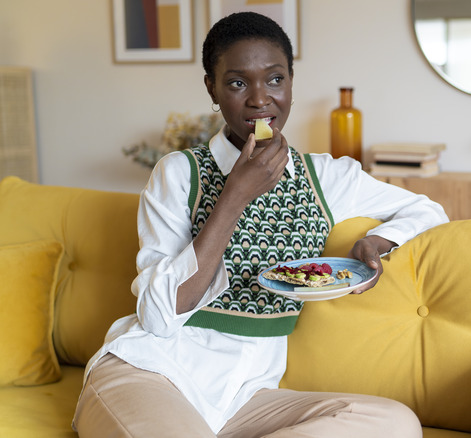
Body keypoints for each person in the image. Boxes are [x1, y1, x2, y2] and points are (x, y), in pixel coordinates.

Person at [73, 12, 448, 438]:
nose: (259, 99)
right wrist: (234, 196)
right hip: (151, 372)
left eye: (274, 79)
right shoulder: (179, 173)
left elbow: (428, 209)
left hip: (244, 397)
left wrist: (376, 241)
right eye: (236, 83)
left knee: (393, 424)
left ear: (291, 82)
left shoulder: (324, 176)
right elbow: (159, 316)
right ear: (211, 89)